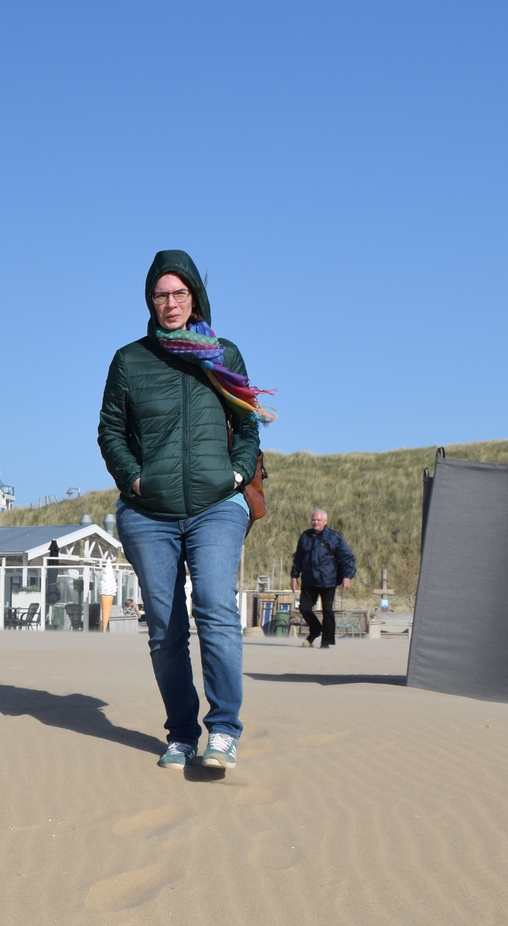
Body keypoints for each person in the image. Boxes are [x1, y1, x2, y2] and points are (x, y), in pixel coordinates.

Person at [97, 250, 270, 772]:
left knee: (215, 608)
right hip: (148, 512)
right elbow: (110, 431)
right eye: (160, 295)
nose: (170, 303)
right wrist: (134, 478)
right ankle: (180, 734)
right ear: (150, 300)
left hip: (217, 505)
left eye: (179, 293)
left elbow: (248, 423)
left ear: (194, 296)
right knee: (165, 628)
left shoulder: (223, 353)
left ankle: (224, 730)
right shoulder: (129, 360)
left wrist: (236, 474)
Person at [290, 509, 356, 649]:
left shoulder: (334, 537)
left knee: (327, 610)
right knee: (304, 608)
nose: (316, 522)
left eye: (319, 520)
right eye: (314, 520)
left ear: (325, 521)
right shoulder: (305, 536)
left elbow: (346, 558)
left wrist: (347, 576)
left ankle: (326, 641)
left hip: (328, 579)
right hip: (309, 579)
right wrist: (294, 576)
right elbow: (298, 558)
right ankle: (316, 629)